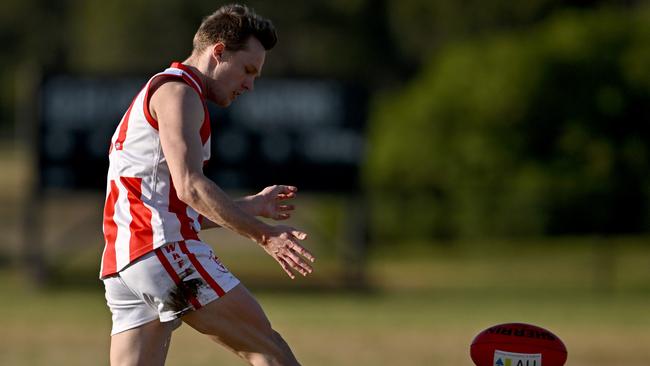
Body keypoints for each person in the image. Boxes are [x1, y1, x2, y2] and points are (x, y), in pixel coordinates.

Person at [100, 4, 314, 365]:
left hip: (126, 264)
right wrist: (264, 234)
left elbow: (172, 204)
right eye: (247, 70)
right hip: (162, 251)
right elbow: (190, 187)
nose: (249, 84)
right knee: (269, 350)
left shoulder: (164, 90)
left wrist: (251, 206)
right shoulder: (179, 93)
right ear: (218, 52)